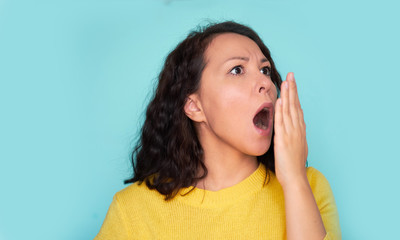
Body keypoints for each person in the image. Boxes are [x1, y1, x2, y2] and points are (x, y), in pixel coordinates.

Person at [94, 21, 341, 240]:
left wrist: (295, 179)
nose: (266, 83)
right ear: (194, 106)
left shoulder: (309, 186)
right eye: (237, 70)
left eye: (265, 70)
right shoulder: (132, 211)